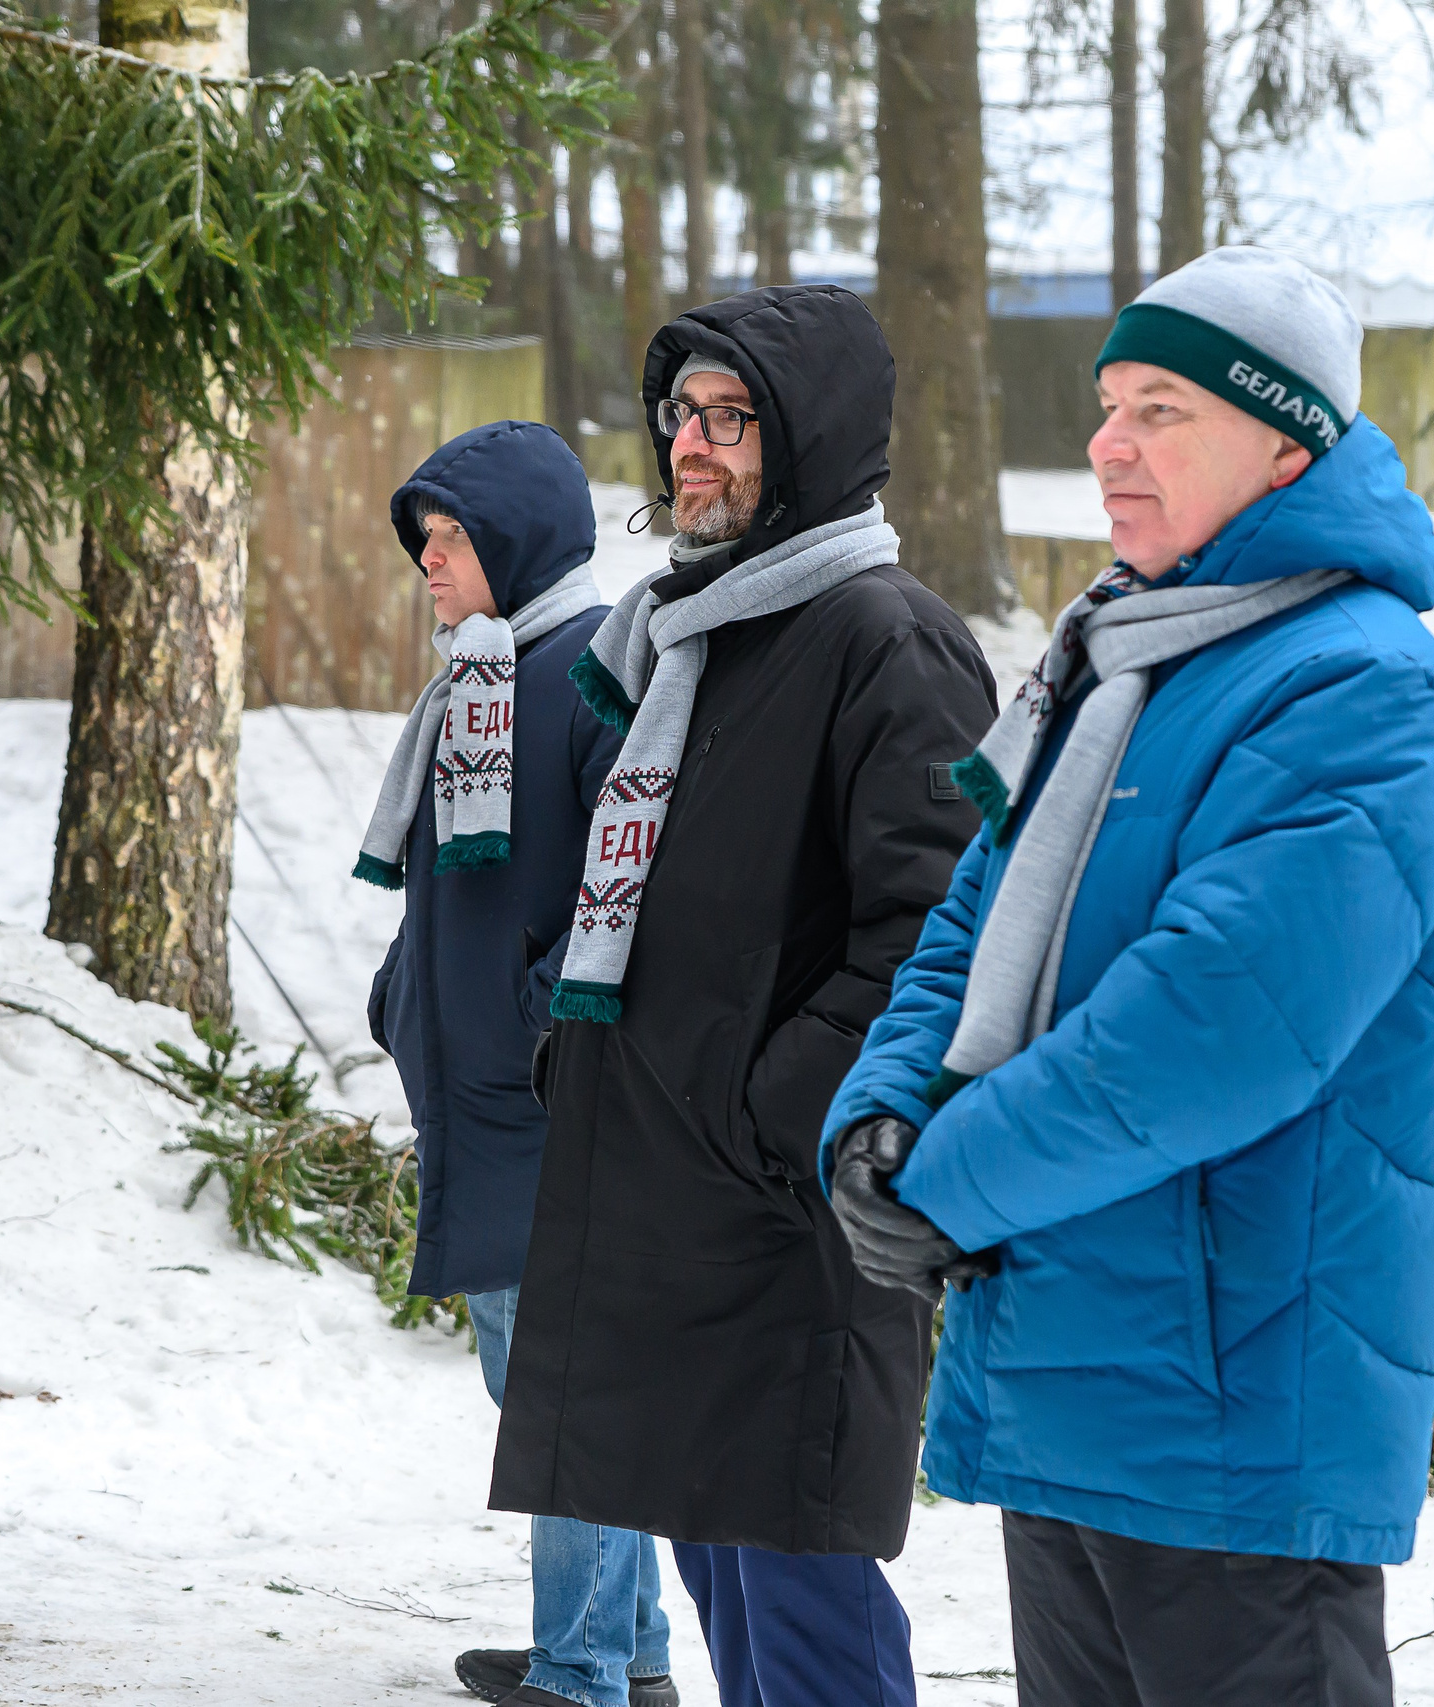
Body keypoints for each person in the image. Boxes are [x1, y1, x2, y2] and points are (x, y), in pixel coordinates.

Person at [821, 246, 1434, 1707]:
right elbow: (972, 920)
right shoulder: (1124, 657)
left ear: (1285, 438)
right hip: (1077, 1369)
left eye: (1161, 409)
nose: (1106, 444)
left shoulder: (1359, 687)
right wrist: (882, 1117)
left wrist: (945, 1178)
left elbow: (1207, 1029)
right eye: (1108, 402)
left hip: (1232, 1412)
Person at [487, 285, 999, 1707]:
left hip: (782, 1225)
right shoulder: (688, 634)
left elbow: (933, 928)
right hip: (673, 1211)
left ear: (812, 437)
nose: (691, 450)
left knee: (804, 1595)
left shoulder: (886, 638)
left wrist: (769, 1110)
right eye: (681, 417)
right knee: (729, 1586)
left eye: (732, 420)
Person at [357, 421, 677, 1707]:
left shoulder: (589, 677)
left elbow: (632, 879)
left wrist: (536, 1022)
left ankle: (584, 1665)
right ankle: (629, 1650)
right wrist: (406, 997)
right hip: (485, 1093)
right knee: (542, 1380)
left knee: (560, 1393)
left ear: (520, 541)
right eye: (422, 540)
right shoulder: (480, 678)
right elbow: (451, 886)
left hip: (547, 1098)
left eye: (451, 540)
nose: (429, 565)